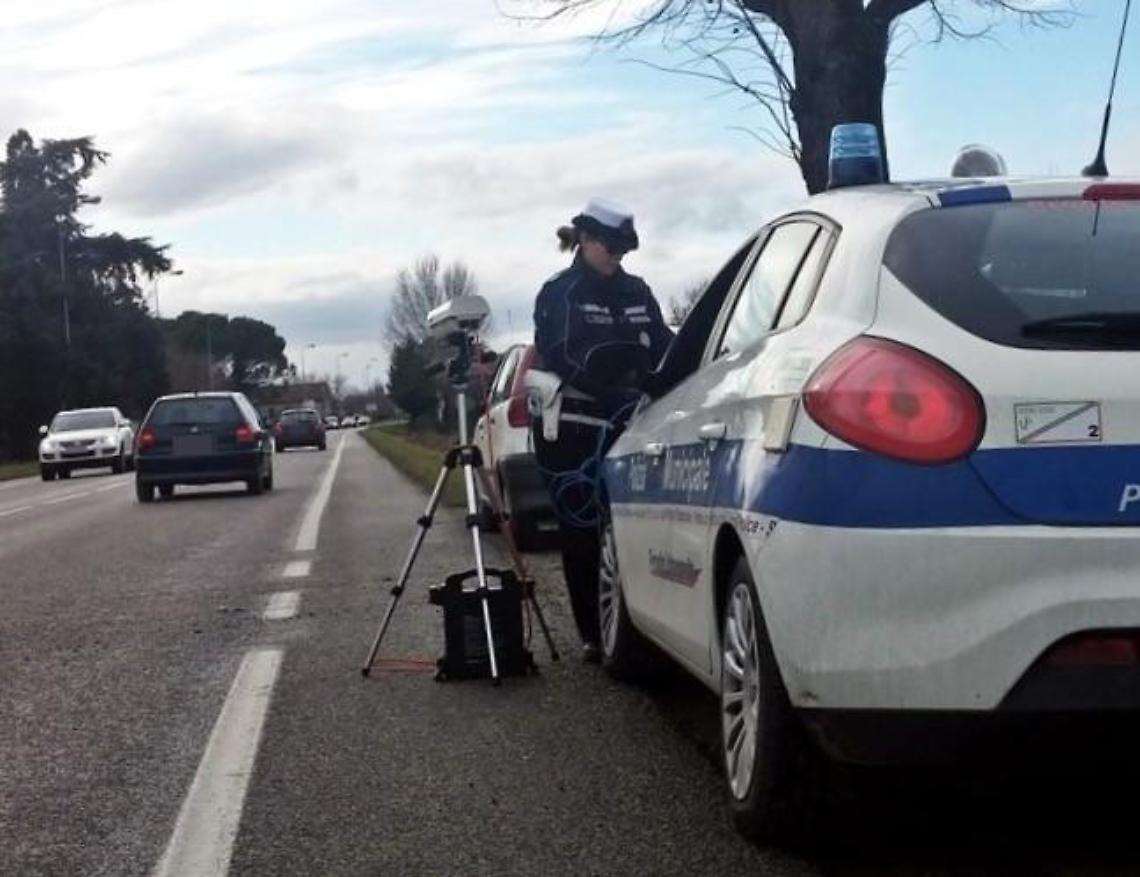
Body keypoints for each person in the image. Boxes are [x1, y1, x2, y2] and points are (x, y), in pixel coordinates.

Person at [532, 198, 673, 662]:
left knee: (634, 526)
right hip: (576, 430)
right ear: (586, 240)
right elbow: (558, 354)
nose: (617, 258)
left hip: (634, 422)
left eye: (623, 251)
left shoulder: (637, 290)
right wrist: (609, 395)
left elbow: (664, 345)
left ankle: (643, 621)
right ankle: (595, 633)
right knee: (583, 531)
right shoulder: (561, 292)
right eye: (610, 248)